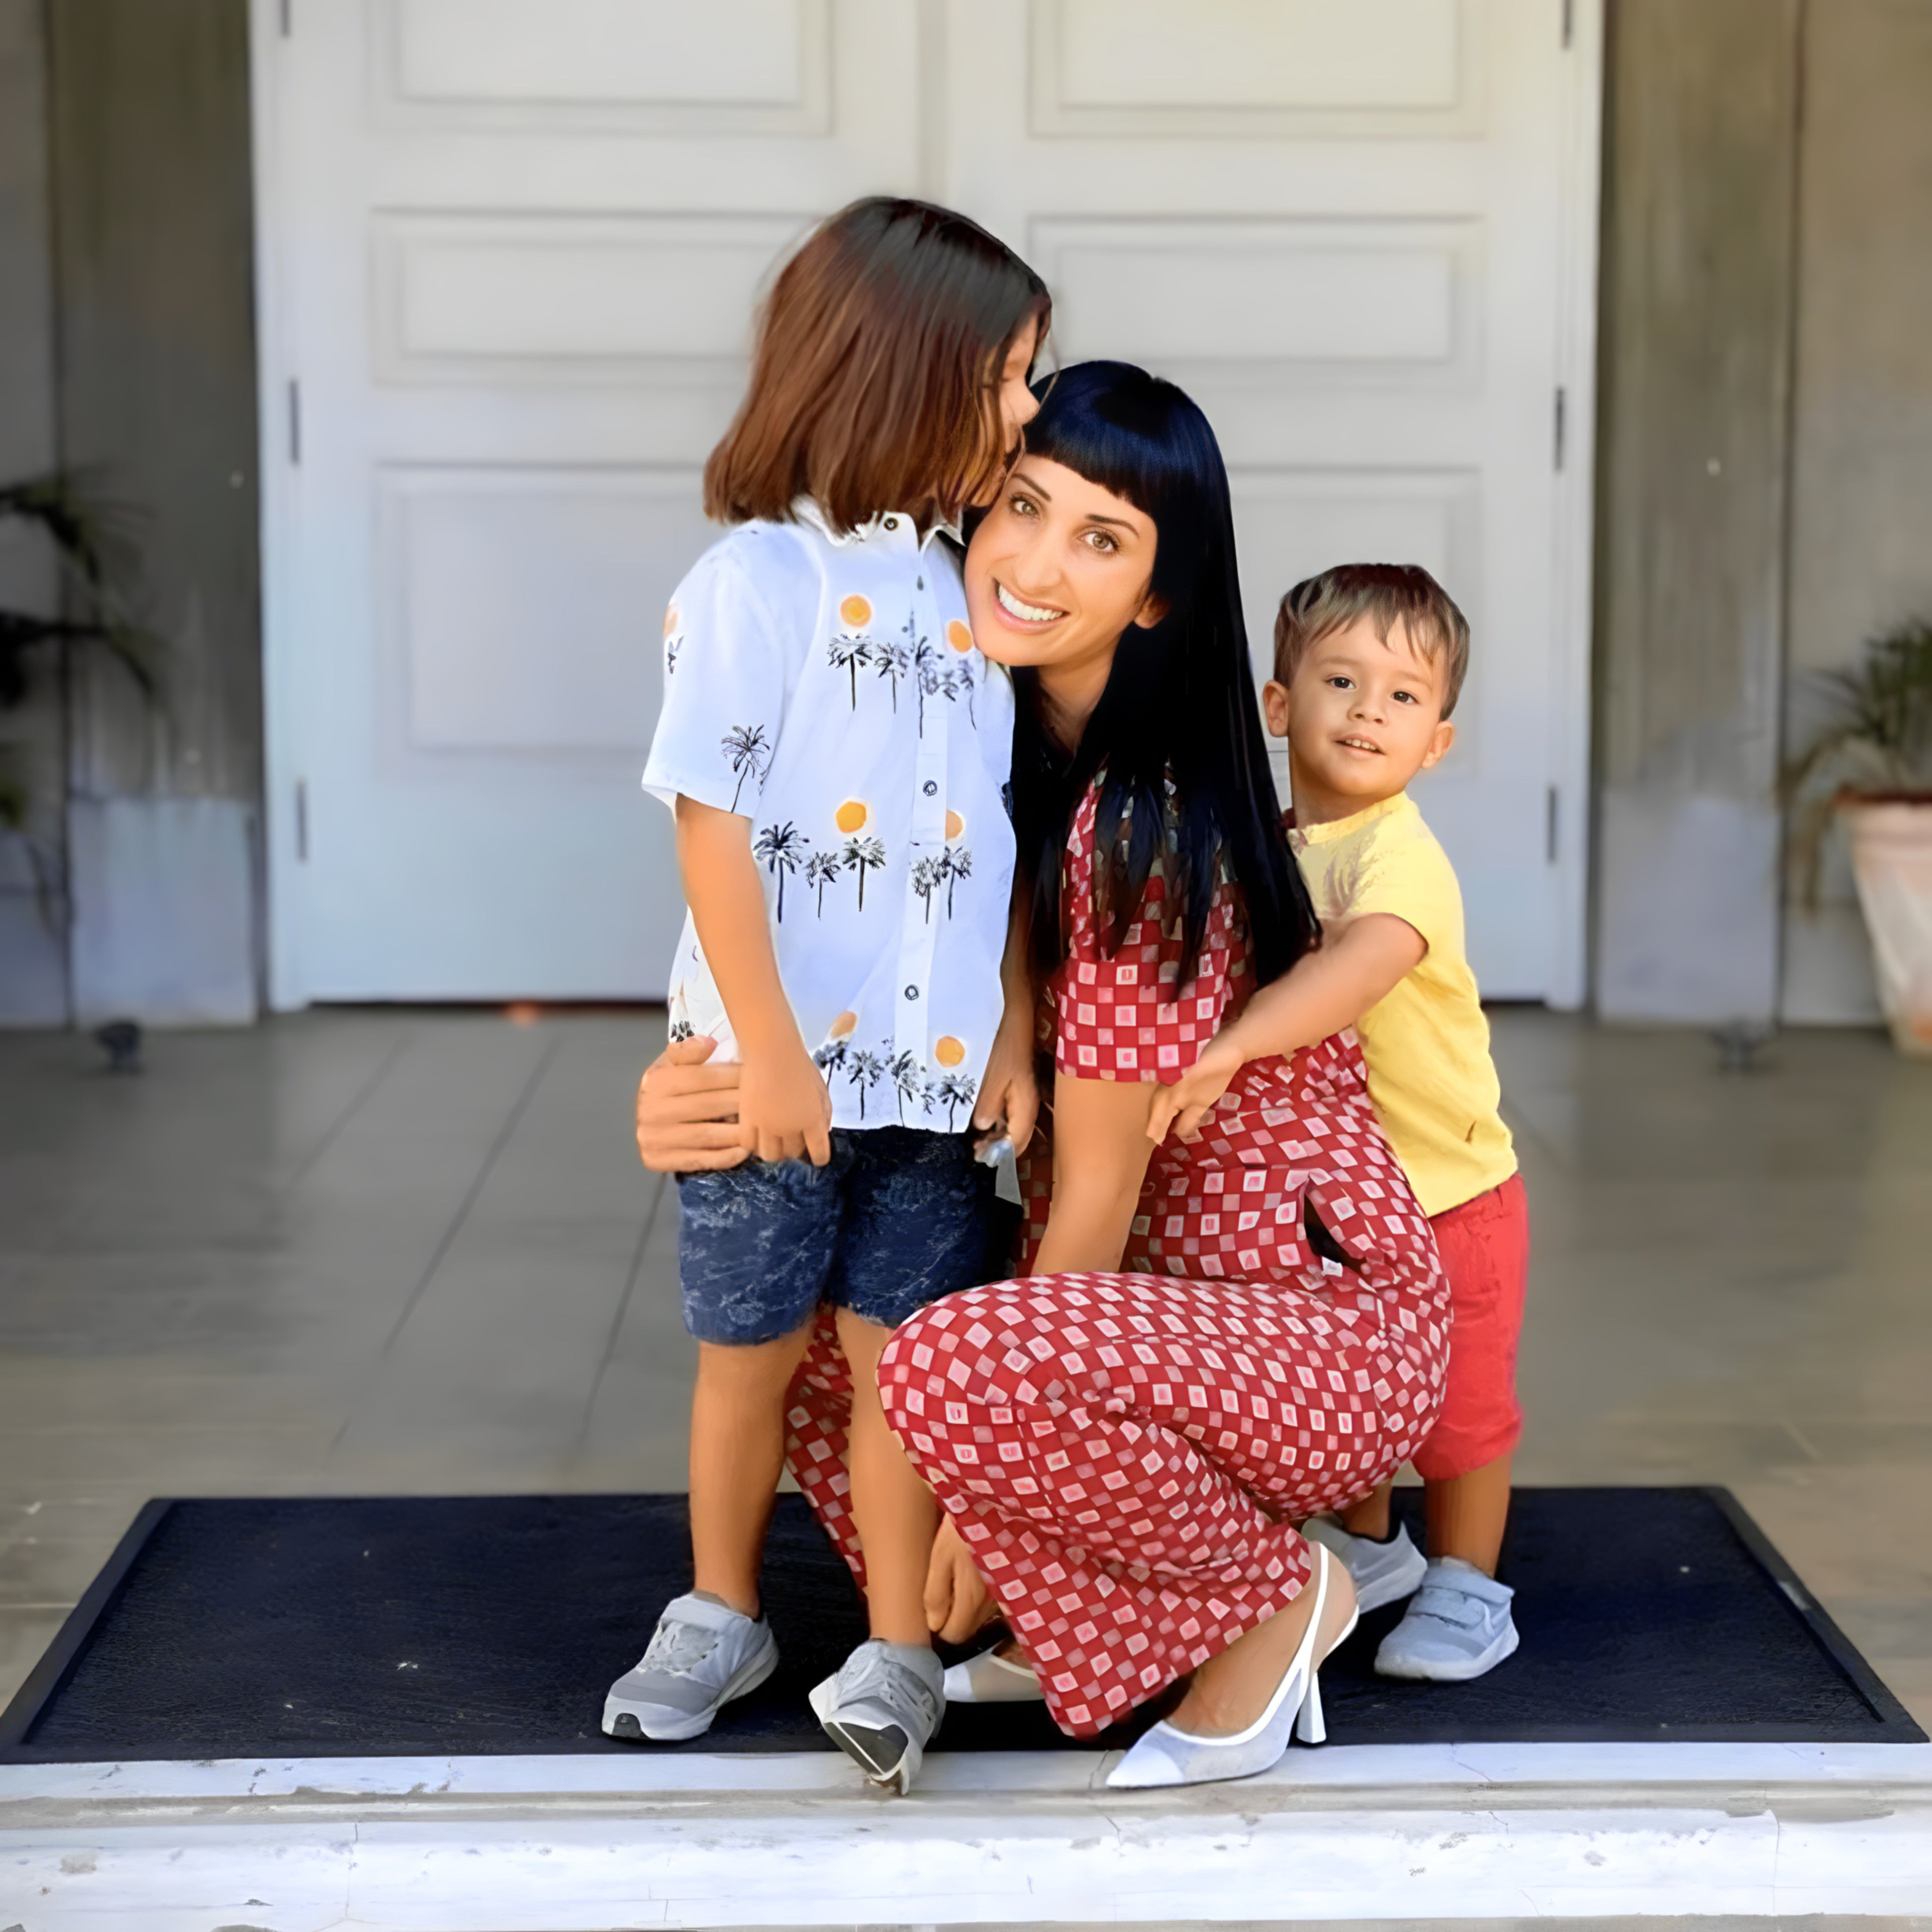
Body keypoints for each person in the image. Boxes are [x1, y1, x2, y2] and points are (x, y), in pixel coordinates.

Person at [778, 362, 1452, 1790]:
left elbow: (1096, 1185)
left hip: (1314, 1338)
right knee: (834, 1354)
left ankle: (1276, 1601)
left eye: (1101, 539)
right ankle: (1123, 1616)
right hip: (1154, 1341)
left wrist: (984, 1496)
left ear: (1155, 599)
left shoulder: (1148, 822)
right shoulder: (1010, 760)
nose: (1034, 564)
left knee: (949, 1367)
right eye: (1022, 508)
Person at [600, 198, 1049, 1773]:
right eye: (1005, 378)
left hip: (932, 1083)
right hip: (767, 1081)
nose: (1027, 410)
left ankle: (897, 1646)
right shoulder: (757, 584)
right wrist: (775, 1049)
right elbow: (710, 825)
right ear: (902, 373)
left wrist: (1013, 1020)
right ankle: (721, 1606)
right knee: (745, 1347)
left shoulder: (971, 596)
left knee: (897, 1362)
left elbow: (992, 834)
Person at [1146, 565, 1526, 1682]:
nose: (1369, 711)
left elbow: (1356, 969)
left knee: (1460, 1407)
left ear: (1437, 742)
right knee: (1347, 1372)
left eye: (1403, 696)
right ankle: (1371, 1546)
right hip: (1340, 1200)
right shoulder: (1271, 841)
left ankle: (1470, 1585)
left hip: (1448, 1192)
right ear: (1280, 705)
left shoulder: (1399, 855)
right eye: (1342, 681)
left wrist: (1233, 1045)